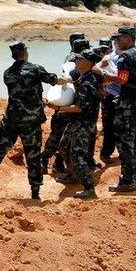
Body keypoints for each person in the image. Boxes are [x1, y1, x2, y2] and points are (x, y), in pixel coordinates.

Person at [0, 41, 68, 199]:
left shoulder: (7, 73)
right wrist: (68, 80)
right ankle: (35, 194)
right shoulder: (35, 69)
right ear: (25, 53)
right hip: (31, 122)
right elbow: (54, 80)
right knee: (33, 156)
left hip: (11, 120)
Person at [49, 50, 104, 199]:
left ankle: (89, 187)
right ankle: (74, 175)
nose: (76, 61)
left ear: (87, 62)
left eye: (79, 59)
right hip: (77, 122)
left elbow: (79, 108)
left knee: (77, 155)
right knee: (64, 146)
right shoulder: (83, 76)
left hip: (84, 124)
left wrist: (59, 108)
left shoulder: (87, 83)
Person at [103, 27, 136, 191]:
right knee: (135, 141)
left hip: (128, 104)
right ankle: (133, 176)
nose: (117, 41)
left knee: (125, 142)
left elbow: (121, 80)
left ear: (129, 38)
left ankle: (127, 180)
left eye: (120, 38)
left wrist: (103, 74)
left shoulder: (125, 56)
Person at [42, 37, 89, 173]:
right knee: (57, 137)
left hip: (70, 105)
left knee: (63, 139)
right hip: (66, 107)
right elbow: (69, 78)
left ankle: (57, 163)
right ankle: (45, 160)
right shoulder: (74, 65)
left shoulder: (73, 62)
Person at [97, 38, 120, 164]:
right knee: (110, 126)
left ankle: (115, 151)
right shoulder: (109, 58)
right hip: (110, 96)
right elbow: (96, 70)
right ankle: (106, 152)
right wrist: (101, 88)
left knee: (119, 127)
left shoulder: (128, 56)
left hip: (122, 96)